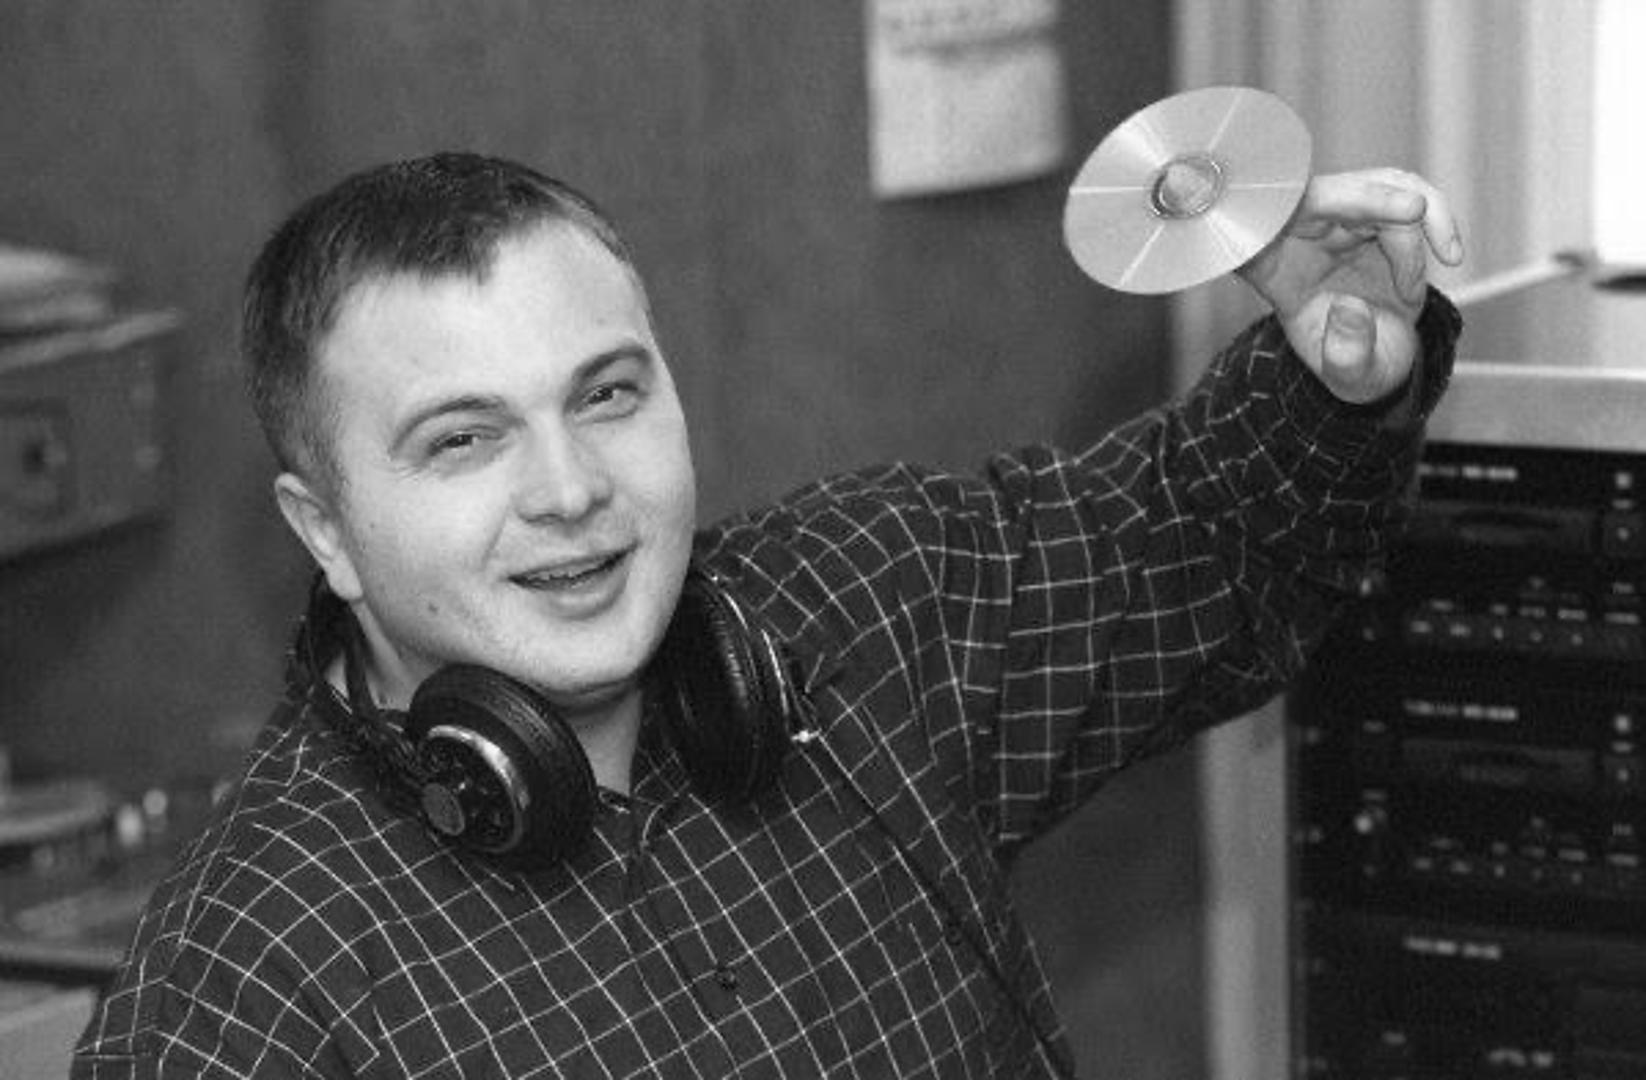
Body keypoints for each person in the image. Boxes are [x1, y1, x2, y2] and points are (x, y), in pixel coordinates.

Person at [73, 150, 1463, 1079]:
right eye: (463, 439)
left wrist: (1338, 363)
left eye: (606, 395)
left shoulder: (859, 604)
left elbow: (1214, 538)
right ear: (324, 531)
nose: (570, 490)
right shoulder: (247, 979)